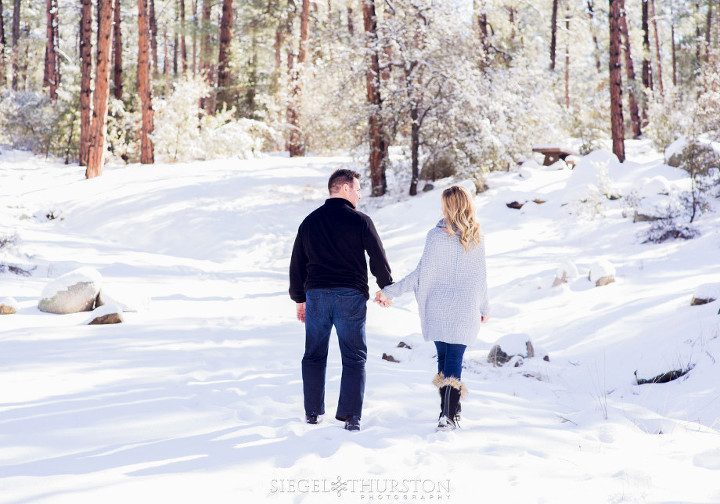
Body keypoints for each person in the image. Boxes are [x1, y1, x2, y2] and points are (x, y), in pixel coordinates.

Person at [375, 185, 489, 431]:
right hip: (464, 310)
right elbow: (482, 279)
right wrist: (484, 307)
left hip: (438, 309)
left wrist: (389, 292)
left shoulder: (436, 236)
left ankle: (448, 411)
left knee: (445, 360)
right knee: (454, 360)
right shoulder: (476, 237)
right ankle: (448, 413)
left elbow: (421, 275)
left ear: (448, 206)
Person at [289, 169, 393, 432]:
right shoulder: (361, 221)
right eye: (357, 188)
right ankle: (351, 416)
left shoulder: (310, 222)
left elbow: (297, 264)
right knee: (354, 356)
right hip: (350, 296)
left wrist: (300, 299)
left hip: (317, 296)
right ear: (345, 188)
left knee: (313, 355)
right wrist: (386, 288)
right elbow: (377, 258)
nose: (360, 194)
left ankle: (312, 412)